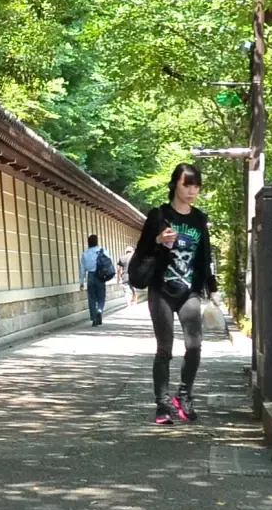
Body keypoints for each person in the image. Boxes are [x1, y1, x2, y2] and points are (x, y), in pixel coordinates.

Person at [128, 163, 218, 425]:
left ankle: (184, 395)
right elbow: (142, 249)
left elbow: (205, 255)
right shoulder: (159, 216)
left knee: (194, 344)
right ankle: (162, 405)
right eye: (186, 185)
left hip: (189, 289)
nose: (192, 191)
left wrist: (211, 287)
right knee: (165, 348)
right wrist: (157, 242)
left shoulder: (199, 219)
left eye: (196, 186)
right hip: (161, 289)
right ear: (175, 185)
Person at [79, 232, 108, 327]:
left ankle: (94, 318)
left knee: (92, 298)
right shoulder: (102, 250)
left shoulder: (85, 253)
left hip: (90, 276)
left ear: (88, 242)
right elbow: (108, 261)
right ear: (97, 242)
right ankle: (99, 310)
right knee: (101, 296)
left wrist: (81, 282)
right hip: (100, 275)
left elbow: (82, 268)